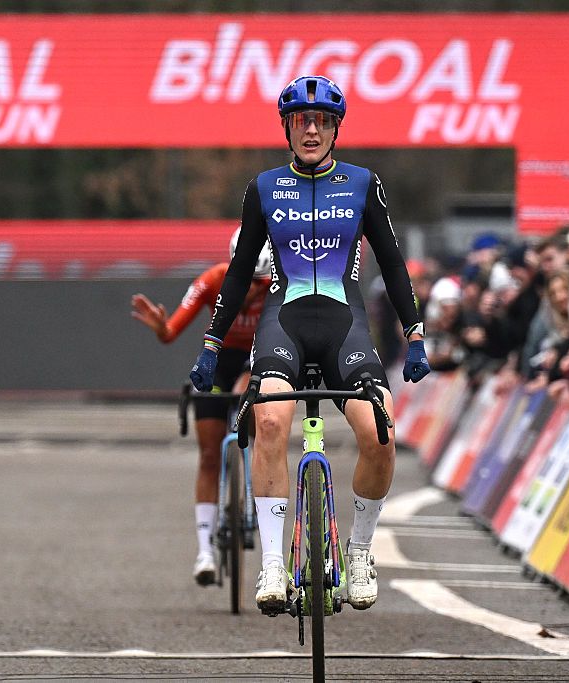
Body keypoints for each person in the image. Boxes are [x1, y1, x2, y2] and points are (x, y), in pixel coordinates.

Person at [188, 75, 430, 614]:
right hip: (285, 322)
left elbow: (393, 264)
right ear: (288, 128)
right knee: (270, 420)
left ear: (336, 128)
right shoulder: (264, 187)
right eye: (302, 121)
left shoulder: (363, 183)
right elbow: (238, 273)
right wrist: (211, 343)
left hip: (345, 324)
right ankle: (274, 562)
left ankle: (359, 552)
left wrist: (414, 332)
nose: (312, 130)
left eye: (322, 121)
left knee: (381, 432)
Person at [131, 228, 271, 586]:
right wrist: (161, 328)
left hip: (258, 360)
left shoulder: (278, 285)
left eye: (259, 283)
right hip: (219, 361)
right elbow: (171, 332)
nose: (251, 290)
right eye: (246, 280)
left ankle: (259, 504)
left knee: (255, 403)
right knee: (209, 454)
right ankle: (205, 551)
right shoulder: (212, 280)